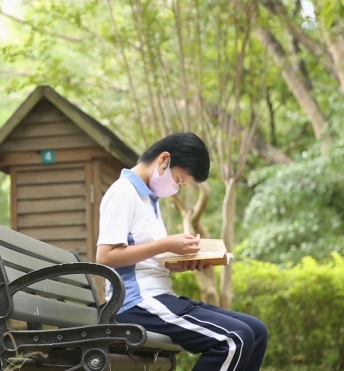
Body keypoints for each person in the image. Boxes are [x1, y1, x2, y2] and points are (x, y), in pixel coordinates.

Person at [96, 132, 268, 371]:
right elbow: (105, 257)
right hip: (136, 304)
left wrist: (183, 262)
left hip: (161, 298)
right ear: (164, 159)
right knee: (234, 339)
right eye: (178, 180)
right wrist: (167, 244)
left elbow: (145, 259)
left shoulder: (149, 200)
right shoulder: (123, 193)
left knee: (257, 331)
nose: (176, 188)